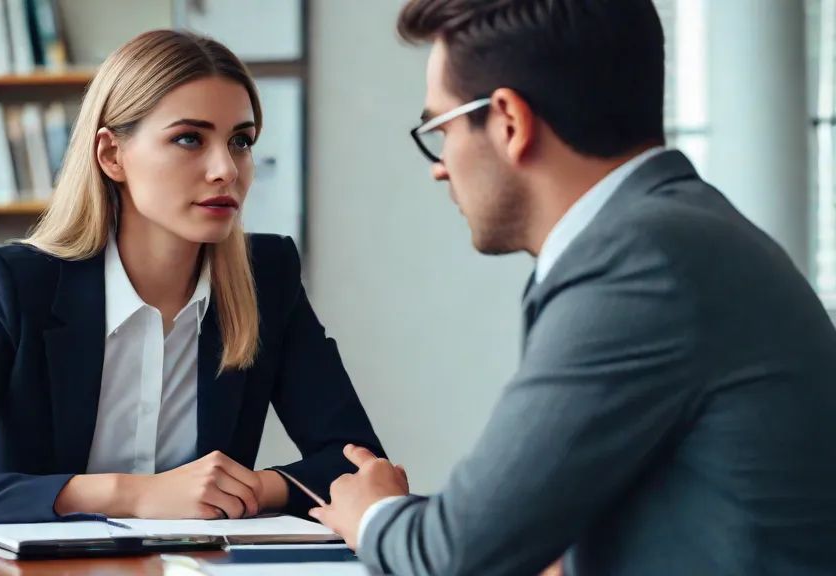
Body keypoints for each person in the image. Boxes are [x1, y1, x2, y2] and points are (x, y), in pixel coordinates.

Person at [308, 1, 836, 574]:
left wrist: (373, 513)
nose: (439, 166)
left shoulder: (638, 263)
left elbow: (454, 556)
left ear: (509, 121)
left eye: (442, 128)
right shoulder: (680, 232)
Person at [0, 29, 383, 531]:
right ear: (111, 155)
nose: (226, 170)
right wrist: (133, 494)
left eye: (240, 141)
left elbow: (363, 468)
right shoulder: (14, 284)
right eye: (189, 139)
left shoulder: (267, 276)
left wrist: (251, 488)